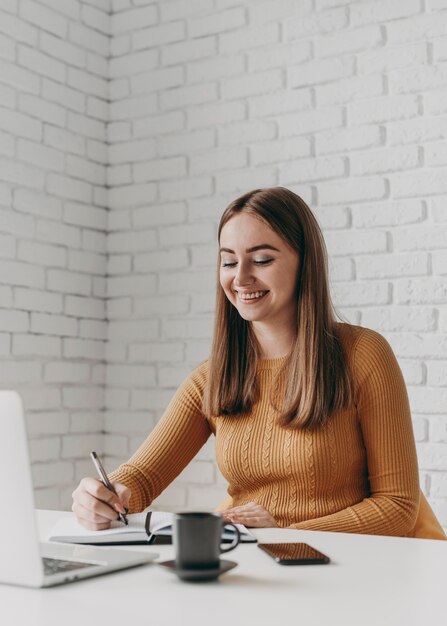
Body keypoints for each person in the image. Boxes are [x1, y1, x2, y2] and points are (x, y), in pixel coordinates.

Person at [72, 187, 446, 539]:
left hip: (348, 571)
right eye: (229, 261)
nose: (241, 277)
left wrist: (285, 536)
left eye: (262, 259)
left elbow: (398, 507)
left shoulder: (363, 355)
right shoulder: (211, 378)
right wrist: (108, 496)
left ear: (305, 263)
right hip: (257, 565)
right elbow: (142, 477)